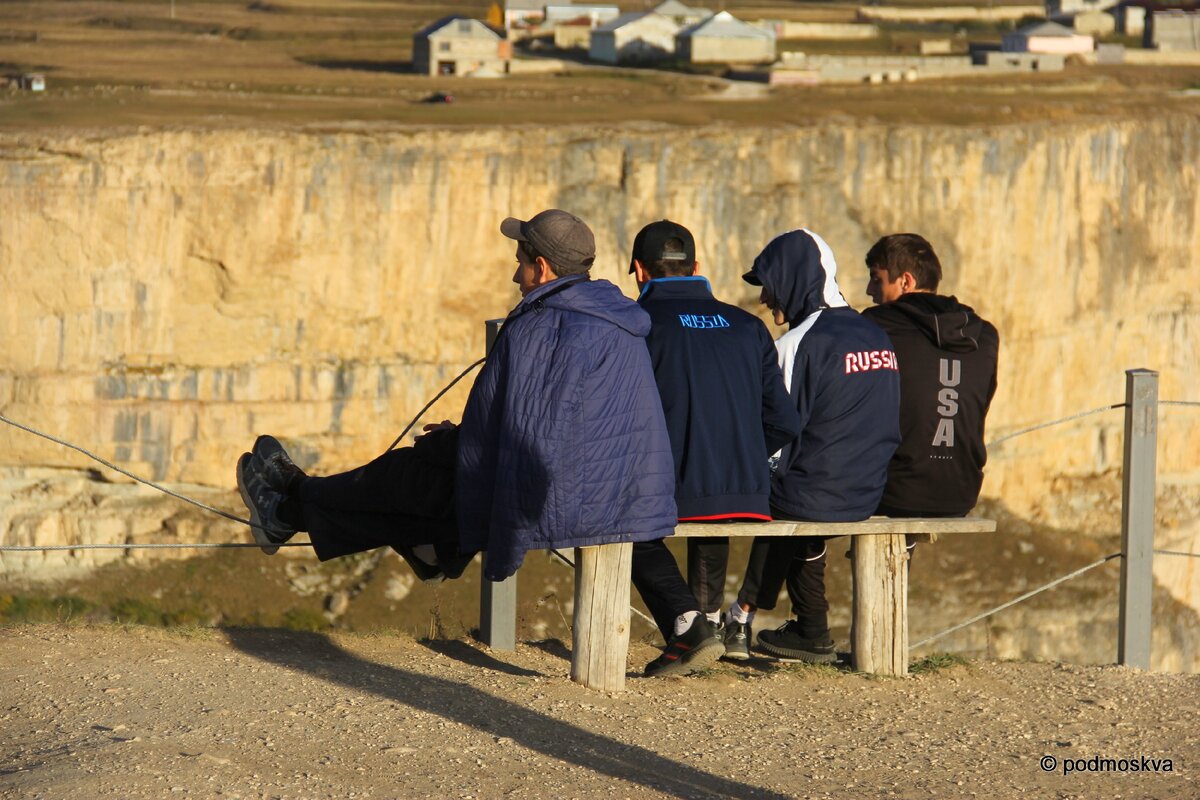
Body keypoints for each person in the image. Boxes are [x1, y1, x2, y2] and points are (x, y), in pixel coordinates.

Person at [235, 209, 679, 596]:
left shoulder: (541, 327)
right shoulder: (617, 317)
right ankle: (301, 514)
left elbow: (515, 431)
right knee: (420, 499)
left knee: (405, 477)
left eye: (520, 264)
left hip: (560, 496)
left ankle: (296, 496)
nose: (515, 276)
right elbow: (538, 421)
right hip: (613, 489)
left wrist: (443, 446)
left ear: (542, 268)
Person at [626, 220, 801, 666]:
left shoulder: (638, 326)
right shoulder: (748, 326)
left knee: (612, 514)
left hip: (671, 490)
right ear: (696, 267)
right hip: (744, 490)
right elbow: (783, 420)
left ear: (639, 272)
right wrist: (738, 455)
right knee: (711, 497)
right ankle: (708, 626)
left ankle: (688, 626)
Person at [728, 228, 901, 663]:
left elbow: (775, 438)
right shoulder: (873, 335)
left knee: (759, 490)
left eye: (767, 285)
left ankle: (737, 617)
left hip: (816, 494)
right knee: (796, 491)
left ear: (792, 278)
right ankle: (801, 627)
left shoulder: (795, 344)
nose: (765, 299)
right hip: (868, 491)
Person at [861, 233, 999, 526]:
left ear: (906, 281)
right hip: (959, 492)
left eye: (876, 279)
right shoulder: (984, 335)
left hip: (891, 491)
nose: (869, 290)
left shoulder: (877, 325)